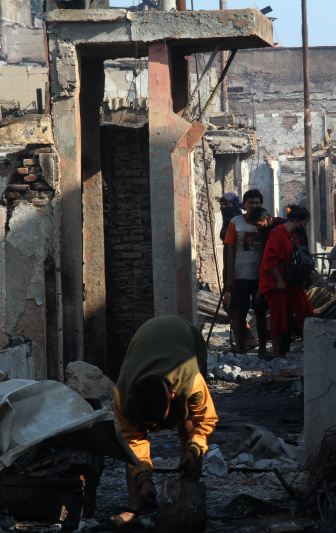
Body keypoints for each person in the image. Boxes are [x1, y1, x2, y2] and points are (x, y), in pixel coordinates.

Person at [109, 316, 217, 529]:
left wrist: (193, 450)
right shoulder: (122, 396)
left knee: (188, 426)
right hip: (146, 336)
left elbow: (205, 420)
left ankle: (188, 496)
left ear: (172, 397)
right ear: (132, 401)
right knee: (128, 442)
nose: (155, 428)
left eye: (158, 422)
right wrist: (144, 480)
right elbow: (132, 442)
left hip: (186, 337)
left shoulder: (191, 382)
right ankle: (134, 506)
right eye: (147, 423)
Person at [259, 205, 315, 359]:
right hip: (275, 283)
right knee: (279, 317)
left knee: (306, 311)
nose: (304, 227)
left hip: (290, 282)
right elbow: (270, 260)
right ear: (296, 221)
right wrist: (278, 280)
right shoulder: (278, 234)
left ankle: (315, 345)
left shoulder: (294, 235)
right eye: (303, 224)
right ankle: (276, 352)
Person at [223, 189, 268, 356]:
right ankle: (241, 349)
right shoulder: (236, 222)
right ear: (244, 204)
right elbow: (230, 250)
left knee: (260, 312)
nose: (254, 205)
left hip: (260, 277)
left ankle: (262, 348)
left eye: (257, 203)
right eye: (251, 202)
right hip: (240, 275)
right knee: (240, 313)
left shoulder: (265, 222)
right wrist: (229, 278)